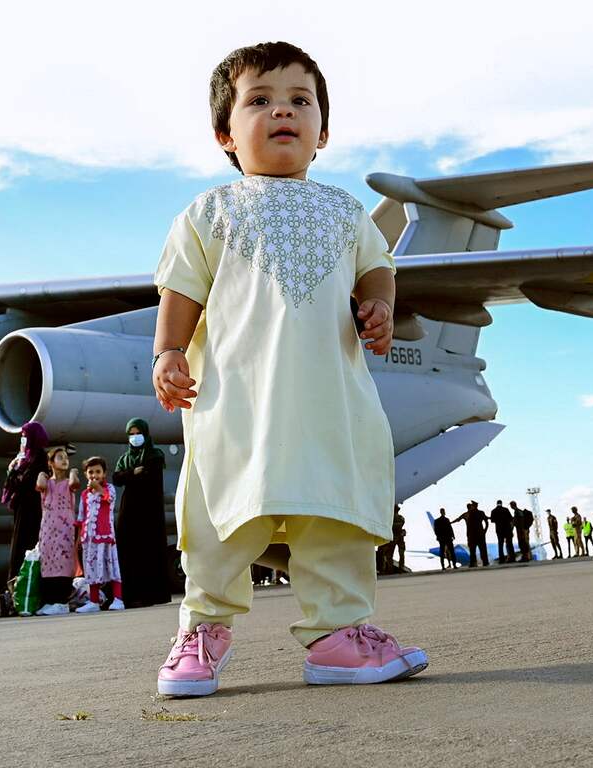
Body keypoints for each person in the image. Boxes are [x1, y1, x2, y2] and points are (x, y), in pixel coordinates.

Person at [150, 42, 427, 697]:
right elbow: (180, 290)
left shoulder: (346, 211)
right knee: (219, 523)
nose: (283, 110)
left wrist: (380, 306)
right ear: (225, 133)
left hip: (329, 407)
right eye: (260, 100)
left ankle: (338, 636)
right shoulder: (209, 212)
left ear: (322, 132)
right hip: (235, 408)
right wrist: (167, 352)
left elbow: (377, 268)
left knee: (335, 520)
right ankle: (202, 630)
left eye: (301, 100)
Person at [112, 418, 172, 608]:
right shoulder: (125, 458)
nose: (135, 437)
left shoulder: (155, 455)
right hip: (129, 509)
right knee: (129, 550)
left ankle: (151, 595)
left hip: (149, 510)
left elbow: (149, 475)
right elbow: (116, 478)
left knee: (148, 551)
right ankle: (131, 595)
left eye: (138, 433)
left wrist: (130, 475)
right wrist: (133, 473)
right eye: (131, 434)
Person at [34, 446, 82, 616]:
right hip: (48, 529)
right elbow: (40, 485)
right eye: (60, 458)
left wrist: (73, 472)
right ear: (51, 463)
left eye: (66, 457)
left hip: (64, 530)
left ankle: (61, 601)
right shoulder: (47, 483)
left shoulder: (69, 483)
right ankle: (50, 601)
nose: (65, 460)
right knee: (48, 563)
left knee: (63, 562)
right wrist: (41, 474)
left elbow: (75, 484)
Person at [75, 456, 124, 613]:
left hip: (105, 536)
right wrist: (79, 538)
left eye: (98, 472)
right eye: (90, 472)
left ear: (104, 474)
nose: (94, 475)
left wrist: (99, 489)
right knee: (91, 569)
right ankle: (94, 601)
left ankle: (118, 599)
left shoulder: (109, 488)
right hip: (89, 539)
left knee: (112, 567)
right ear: (86, 474)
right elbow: (81, 517)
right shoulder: (85, 494)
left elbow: (109, 499)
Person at [2, 421, 49, 580]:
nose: (23, 439)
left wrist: (15, 471)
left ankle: (23, 580)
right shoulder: (25, 458)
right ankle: (16, 580)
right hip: (22, 506)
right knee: (19, 544)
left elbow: (28, 482)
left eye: (25, 436)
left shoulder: (39, 457)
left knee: (26, 543)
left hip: (32, 508)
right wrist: (13, 470)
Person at [452, 502, 489, 568]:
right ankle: (485, 562)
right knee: (482, 549)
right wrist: (484, 531)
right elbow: (486, 521)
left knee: (473, 550)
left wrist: (450, 522)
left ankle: (473, 563)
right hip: (479, 535)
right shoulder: (480, 513)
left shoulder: (467, 514)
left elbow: (458, 519)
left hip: (472, 535)